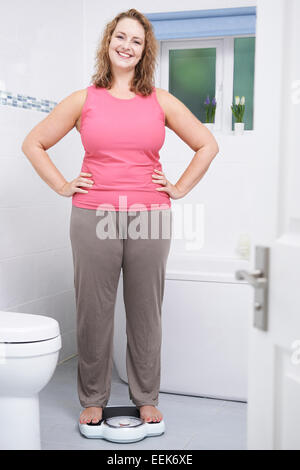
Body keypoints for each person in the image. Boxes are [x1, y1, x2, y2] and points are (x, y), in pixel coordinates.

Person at [21, 8, 219, 426]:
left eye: (137, 41)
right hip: (93, 215)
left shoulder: (160, 100)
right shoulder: (84, 99)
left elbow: (207, 144)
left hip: (150, 215)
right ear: (108, 42)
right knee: (94, 309)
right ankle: (93, 395)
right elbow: (34, 142)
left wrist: (179, 188)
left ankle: (145, 395)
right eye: (121, 37)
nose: (127, 46)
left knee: (146, 309)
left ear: (145, 51)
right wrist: (62, 185)